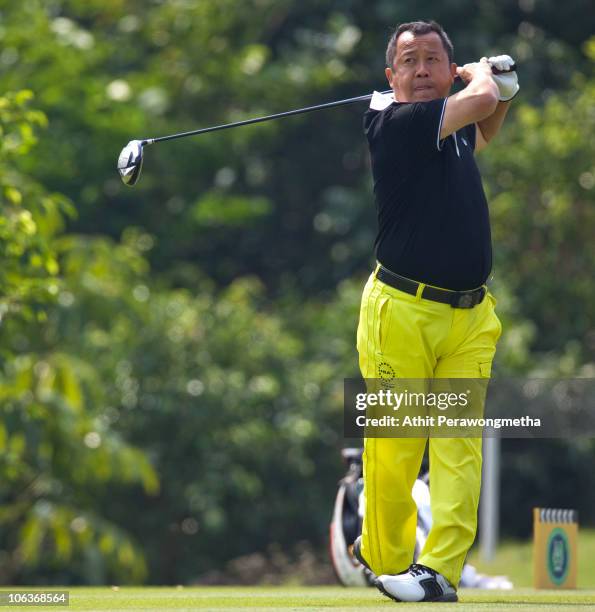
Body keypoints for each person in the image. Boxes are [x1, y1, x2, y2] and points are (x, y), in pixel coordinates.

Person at [353, 20, 519, 603]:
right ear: (391, 77)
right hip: (401, 310)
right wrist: (483, 78)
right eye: (409, 61)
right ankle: (384, 562)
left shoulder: (446, 129)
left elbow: (485, 124)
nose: (421, 70)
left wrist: (501, 89)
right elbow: (479, 101)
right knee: (397, 446)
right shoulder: (395, 123)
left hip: (470, 317)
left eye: (433, 60)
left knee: (457, 447)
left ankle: (439, 572)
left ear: (445, 71)